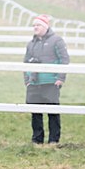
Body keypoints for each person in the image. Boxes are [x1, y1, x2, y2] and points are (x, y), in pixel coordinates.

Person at [24, 14, 70, 144]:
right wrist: (27, 80)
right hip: (34, 83)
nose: (35, 27)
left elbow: (64, 59)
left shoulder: (57, 41)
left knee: (53, 111)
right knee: (35, 113)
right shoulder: (31, 44)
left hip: (50, 82)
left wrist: (61, 78)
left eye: (38, 25)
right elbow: (25, 62)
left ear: (45, 26)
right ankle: (37, 140)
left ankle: (53, 140)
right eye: (34, 25)